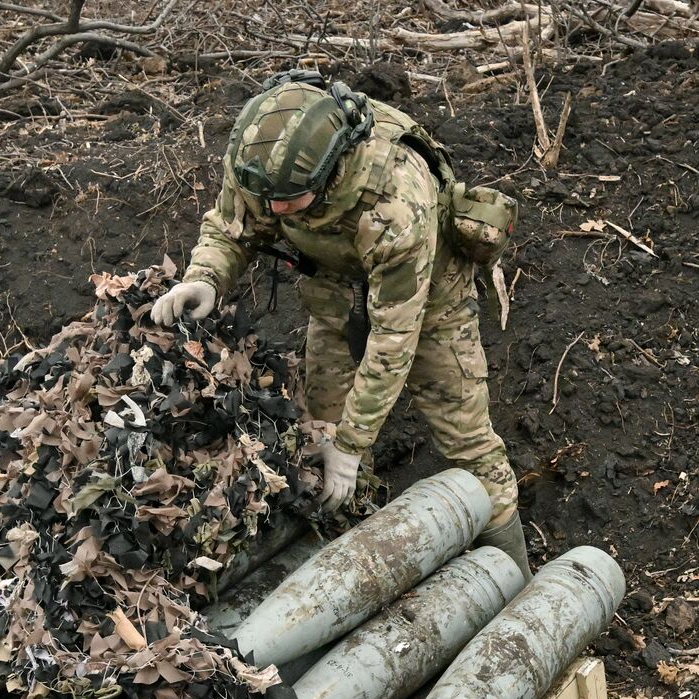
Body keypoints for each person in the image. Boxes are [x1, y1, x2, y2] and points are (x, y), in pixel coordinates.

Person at [149, 71, 530, 579]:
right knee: (321, 433)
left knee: (468, 443)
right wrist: (206, 279)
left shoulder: (394, 202)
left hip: (430, 304)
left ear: (332, 172)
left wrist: (353, 444)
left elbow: (395, 338)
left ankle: (514, 578)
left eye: (290, 202)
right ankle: (358, 557)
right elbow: (231, 226)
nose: (276, 211)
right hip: (333, 294)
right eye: (270, 200)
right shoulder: (260, 162)